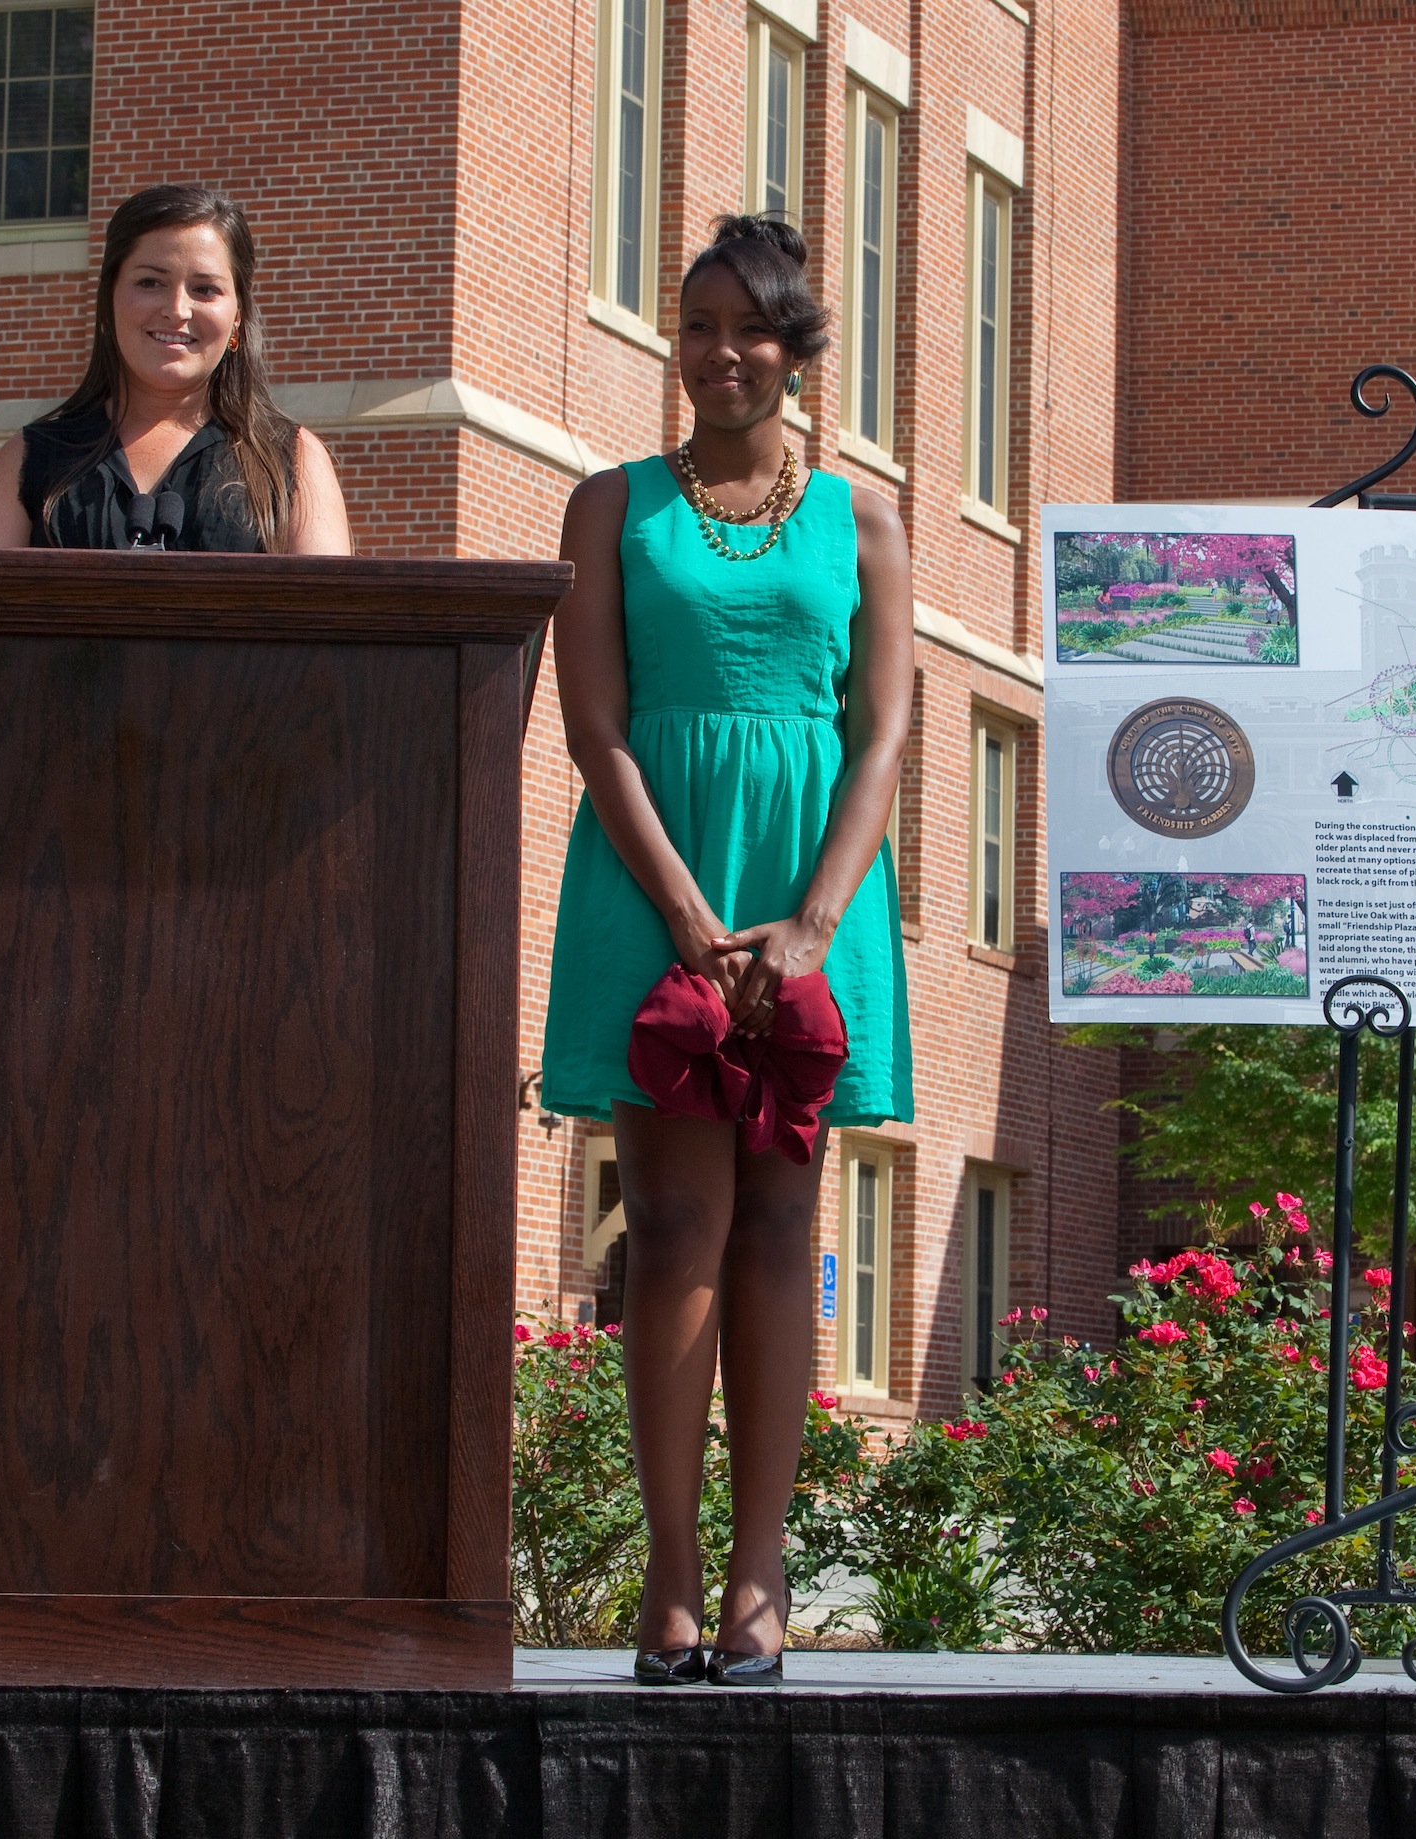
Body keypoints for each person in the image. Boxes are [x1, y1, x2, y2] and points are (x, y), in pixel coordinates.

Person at [539, 215, 914, 1686]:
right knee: (674, 1227)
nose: (719, 352)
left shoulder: (868, 519)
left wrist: (812, 923)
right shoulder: (610, 506)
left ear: (799, 347)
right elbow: (594, 728)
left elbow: (882, 731)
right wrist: (692, 921)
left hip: (814, 891)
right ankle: (676, 1576)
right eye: (695, 324)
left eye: (749, 327)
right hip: (657, 885)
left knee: (778, 1227)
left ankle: (764, 1578)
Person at [0, 183, 351, 552]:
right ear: (109, 298)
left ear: (237, 318)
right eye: (150, 282)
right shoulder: (30, 458)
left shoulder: (293, 460)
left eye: (205, 289)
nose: (177, 310)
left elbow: (331, 616)